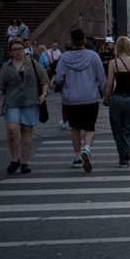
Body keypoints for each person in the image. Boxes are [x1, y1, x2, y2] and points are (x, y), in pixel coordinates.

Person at [0, 38, 49, 174]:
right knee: (12, 130)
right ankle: (14, 159)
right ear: (10, 52)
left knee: (27, 131)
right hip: (12, 102)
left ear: (24, 50)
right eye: (14, 49)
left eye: (20, 49)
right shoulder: (6, 66)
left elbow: (44, 80)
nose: (17, 51)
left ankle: (25, 162)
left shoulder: (33, 64)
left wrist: (43, 94)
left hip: (30, 102)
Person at [54, 28, 106, 172]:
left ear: (71, 42)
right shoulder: (94, 56)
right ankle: (87, 149)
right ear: (84, 41)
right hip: (90, 98)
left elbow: (58, 79)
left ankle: (77, 157)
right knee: (89, 127)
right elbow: (102, 78)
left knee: (75, 128)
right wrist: (105, 94)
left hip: (71, 99)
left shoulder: (64, 58)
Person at [103, 36, 130, 167]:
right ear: (129, 47)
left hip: (117, 98)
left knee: (118, 129)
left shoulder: (113, 63)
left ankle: (123, 159)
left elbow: (109, 84)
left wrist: (106, 97)